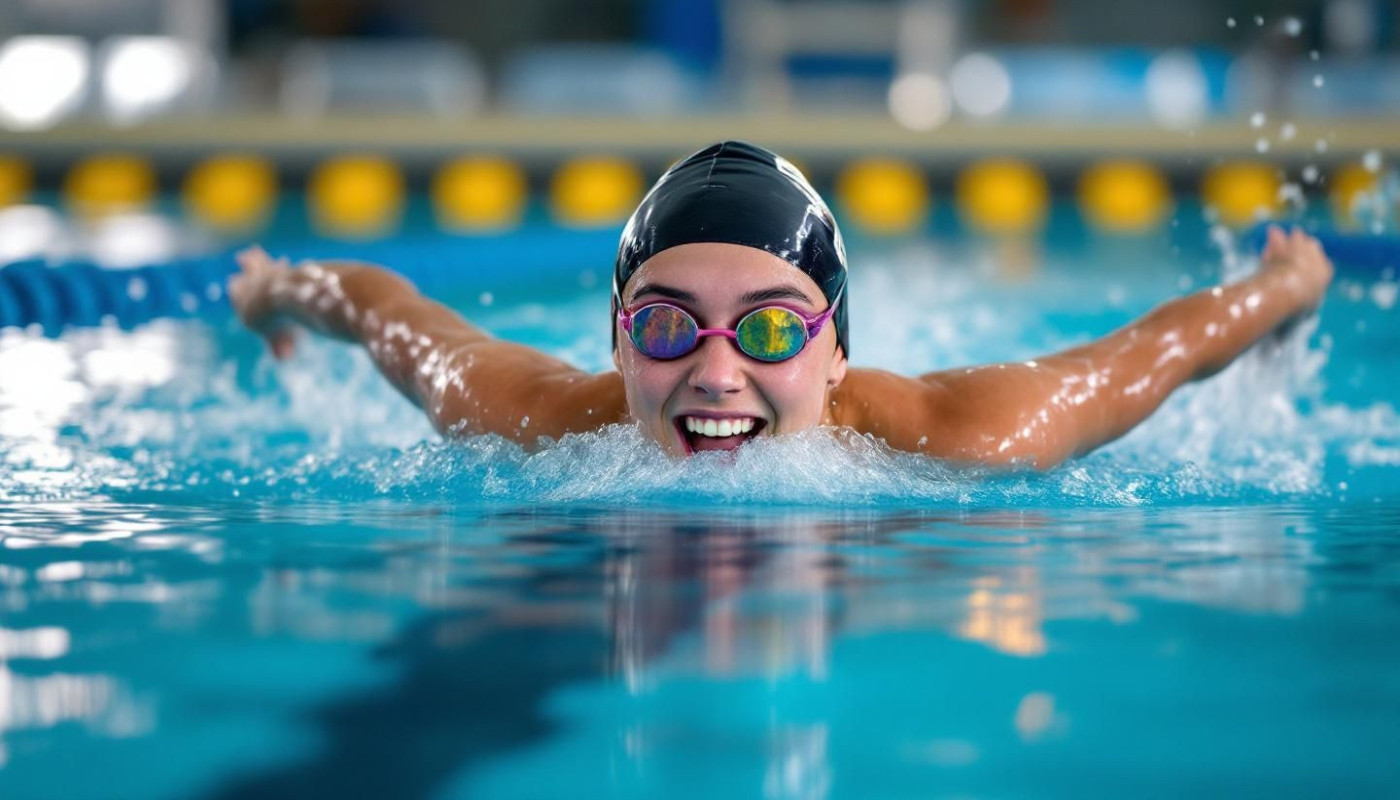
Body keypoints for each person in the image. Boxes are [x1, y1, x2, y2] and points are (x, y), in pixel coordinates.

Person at [229, 141, 1334, 468]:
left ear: (837, 350)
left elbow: (1150, 352)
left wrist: (1281, 288)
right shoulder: (532, 416)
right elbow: (390, 314)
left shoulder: (970, 434)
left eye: (766, 327)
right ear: (617, 338)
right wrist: (278, 287)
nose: (714, 373)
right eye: (666, 322)